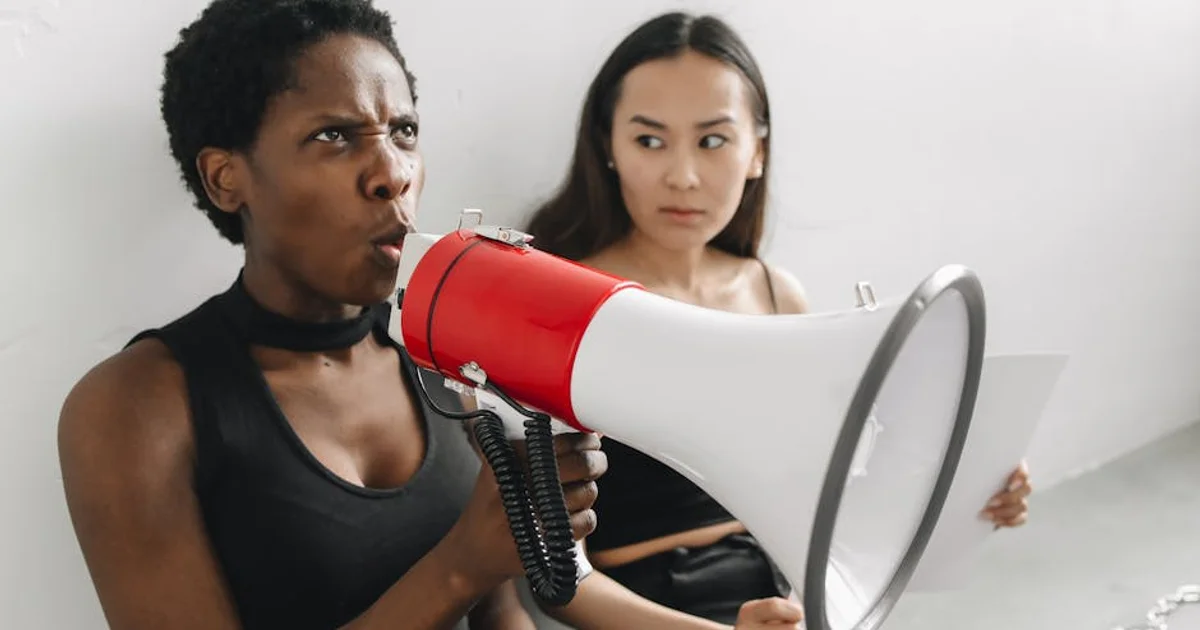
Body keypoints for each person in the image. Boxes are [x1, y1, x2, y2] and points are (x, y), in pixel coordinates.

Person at [55, 1, 607, 629]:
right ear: (225, 178)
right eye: (335, 136)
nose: (392, 174)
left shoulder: (443, 351)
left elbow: (503, 615)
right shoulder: (135, 405)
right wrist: (461, 565)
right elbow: (474, 573)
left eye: (403, 132)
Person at [523, 10, 1034, 629]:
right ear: (608, 145)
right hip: (647, 611)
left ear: (756, 152)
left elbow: (826, 495)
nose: (682, 176)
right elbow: (557, 577)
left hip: (783, 597)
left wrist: (965, 498)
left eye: (713, 140)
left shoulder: (775, 295)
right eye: (649, 140)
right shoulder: (560, 305)